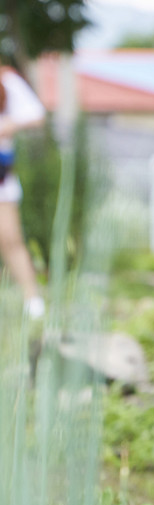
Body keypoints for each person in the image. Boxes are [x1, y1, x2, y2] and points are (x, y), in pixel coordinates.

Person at [0, 64, 47, 319]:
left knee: (9, 238)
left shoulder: (6, 80)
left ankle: (32, 300)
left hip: (1, 175)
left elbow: (36, 115)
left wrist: (10, 123)